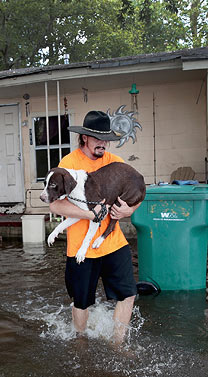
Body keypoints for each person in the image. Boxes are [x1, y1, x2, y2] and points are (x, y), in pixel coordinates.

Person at [48, 110, 140, 344]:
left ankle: (118, 344)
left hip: (113, 242)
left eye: (106, 138)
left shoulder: (114, 163)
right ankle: (81, 343)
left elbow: (136, 189)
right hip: (81, 247)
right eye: (97, 138)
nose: (103, 143)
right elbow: (56, 207)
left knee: (128, 295)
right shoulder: (68, 165)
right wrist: (89, 214)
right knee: (81, 301)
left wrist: (130, 210)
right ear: (84, 138)